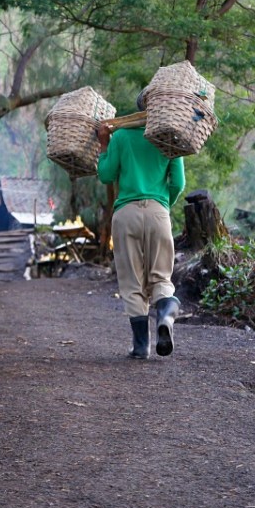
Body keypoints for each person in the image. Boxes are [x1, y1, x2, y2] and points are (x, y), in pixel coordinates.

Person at [97, 90, 185, 359]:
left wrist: (104, 144)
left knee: (132, 281)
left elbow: (106, 175)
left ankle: (140, 347)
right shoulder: (169, 137)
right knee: (161, 277)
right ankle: (166, 319)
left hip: (126, 215)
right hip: (158, 212)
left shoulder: (122, 136)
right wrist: (161, 207)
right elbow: (178, 183)